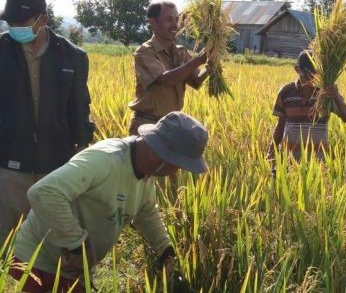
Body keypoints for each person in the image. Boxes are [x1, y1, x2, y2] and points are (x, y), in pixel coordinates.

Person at [11, 112, 207, 292]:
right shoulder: (106, 160)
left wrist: (166, 253)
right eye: (179, 164)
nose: (176, 172)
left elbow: (147, 214)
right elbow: (44, 192)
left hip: (73, 270)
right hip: (36, 264)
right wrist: (76, 245)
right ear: (162, 154)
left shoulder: (146, 173)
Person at [0, 0, 94, 245]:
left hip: (56, 165)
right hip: (9, 167)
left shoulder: (72, 57)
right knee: (8, 242)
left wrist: (82, 146)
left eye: (22, 21)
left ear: (43, 19)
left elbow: (79, 106)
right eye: (10, 21)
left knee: (52, 241)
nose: (15, 27)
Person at [128, 1, 209, 135]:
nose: (175, 25)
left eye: (176, 20)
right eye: (169, 20)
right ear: (153, 22)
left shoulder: (180, 52)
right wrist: (198, 60)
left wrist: (211, 65)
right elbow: (166, 79)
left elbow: (196, 81)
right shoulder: (144, 52)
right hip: (147, 125)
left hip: (171, 126)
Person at [267, 50, 346, 168]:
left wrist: (336, 96)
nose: (311, 81)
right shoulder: (286, 92)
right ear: (297, 69)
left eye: (315, 76)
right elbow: (280, 125)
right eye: (306, 76)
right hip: (289, 161)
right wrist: (271, 151)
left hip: (318, 164)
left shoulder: (325, 94)